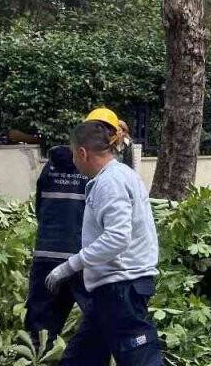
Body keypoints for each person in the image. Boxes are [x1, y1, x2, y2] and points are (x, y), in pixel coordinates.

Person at [47, 118, 162, 365]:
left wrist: (69, 266)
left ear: (82, 152)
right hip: (112, 290)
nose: (75, 163)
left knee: (140, 358)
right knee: (81, 357)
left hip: (121, 288)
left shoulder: (110, 182)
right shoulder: (119, 176)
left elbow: (117, 238)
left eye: (74, 156)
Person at [24, 144, 89, 349]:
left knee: (41, 326)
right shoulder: (93, 172)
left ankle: (39, 357)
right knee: (99, 318)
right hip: (83, 257)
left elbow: (40, 208)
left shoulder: (49, 169)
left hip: (47, 253)